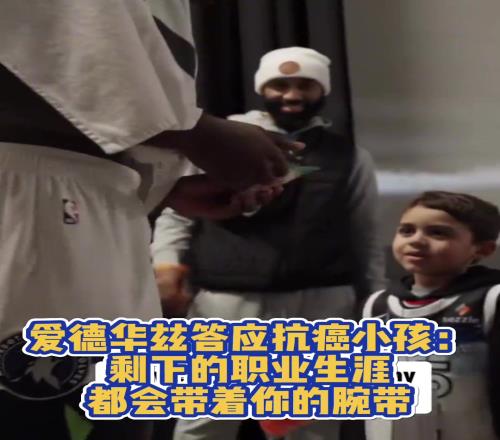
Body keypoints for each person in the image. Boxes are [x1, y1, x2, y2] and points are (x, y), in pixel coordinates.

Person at [0, 2, 299, 439]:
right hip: (29, 191)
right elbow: (32, 36)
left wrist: (165, 188)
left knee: (116, 421)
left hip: (99, 204)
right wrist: (192, 133)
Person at [151, 46, 386, 440]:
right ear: (263, 89)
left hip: (322, 303)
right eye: (280, 85)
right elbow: (176, 213)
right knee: (206, 420)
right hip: (226, 301)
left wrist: (374, 300)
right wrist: (165, 264)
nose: (292, 95)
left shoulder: (349, 156)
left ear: (323, 90)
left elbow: (365, 232)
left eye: (305, 85)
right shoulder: (223, 143)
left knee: (310, 427)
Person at [363, 191, 500, 440]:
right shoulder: (377, 305)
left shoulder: (490, 299)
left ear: (483, 249)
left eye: (438, 233)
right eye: (406, 231)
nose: (416, 240)